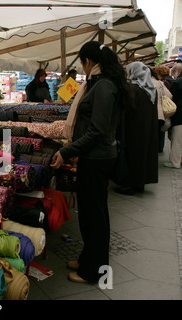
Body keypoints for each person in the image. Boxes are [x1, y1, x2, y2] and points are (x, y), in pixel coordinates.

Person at [50, 41, 130, 284]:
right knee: (90, 213)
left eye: (82, 63)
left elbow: (97, 131)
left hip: (97, 158)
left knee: (94, 215)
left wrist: (68, 151)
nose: (82, 68)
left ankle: (93, 271)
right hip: (94, 156)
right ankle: (89, 259)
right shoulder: (101, 84)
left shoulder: (104, 86)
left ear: (89, 62)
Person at [113, 62, 158, 195]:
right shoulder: (150, 90)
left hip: (132, 130)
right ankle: (139, 183)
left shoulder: (132, 89)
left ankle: (130, 184)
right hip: (146, 130)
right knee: (143, 156)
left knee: (132, 157)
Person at [150, 67, 172, 153]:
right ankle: (159, 147)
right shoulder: (160, 83)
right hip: (160, 114)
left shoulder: (143, 83)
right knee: (160, 131)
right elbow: (169, 95)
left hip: (149, 115)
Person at [165, 63, 182, 168]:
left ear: (176, 72)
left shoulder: (178, 82)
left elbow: (172, 98)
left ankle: (175, 162)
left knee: (177, 140)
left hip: (180, 116)